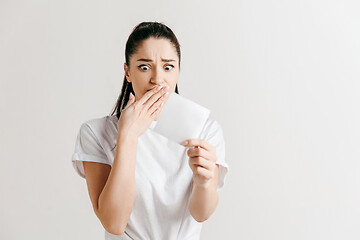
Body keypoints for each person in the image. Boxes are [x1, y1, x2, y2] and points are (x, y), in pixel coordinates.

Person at [71, 21, 230, 240]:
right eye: (144, 67)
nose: (157, 79)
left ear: (178, 71)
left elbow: (200, 214)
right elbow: (114, 223)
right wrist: (127, 136)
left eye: (168, 67)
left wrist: (203, 182)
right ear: (127, 71)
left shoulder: (204, 129)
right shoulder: (96, 132)